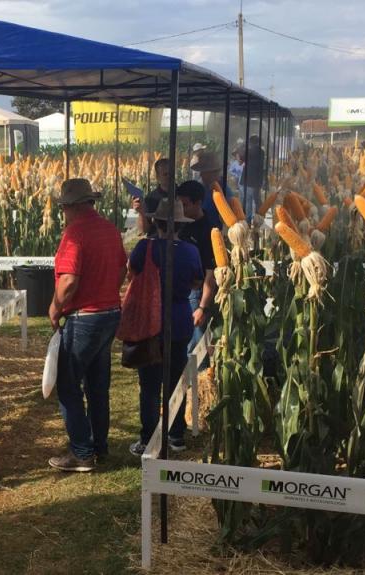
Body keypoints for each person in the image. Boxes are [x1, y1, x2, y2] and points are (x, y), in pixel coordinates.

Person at [48, 178, 127, 472]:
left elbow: (69, 281)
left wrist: (55, 308)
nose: (64, 213)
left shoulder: (74, 234)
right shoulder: (109, 229)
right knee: (97, 385)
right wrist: (106, 292)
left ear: (73, 207)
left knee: (68, 385)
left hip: (85, 318)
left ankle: (82, 452)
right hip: (109, 314)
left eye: (65, 207)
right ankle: (100, 446)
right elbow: (121, 268)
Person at [127, 198, 203, 455]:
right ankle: (176, 434)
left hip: (151, 320)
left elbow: (132, 273)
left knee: (149, 384)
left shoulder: (144, 248)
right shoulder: (191, 250)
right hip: (180, 318)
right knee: (175, 380)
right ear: (180, 225)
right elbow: (196, 281)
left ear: (156, 222)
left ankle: (148, 437)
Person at [173, 180, 219, 353]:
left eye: (185, 205)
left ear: (198, 203)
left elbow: (210, 273)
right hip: (180, 291)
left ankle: (199, 377)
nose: (181, 209)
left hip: (196, 294)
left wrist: (202, 307)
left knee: (195, 345)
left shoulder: (209, 231)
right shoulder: (180, 222)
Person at [133, 157, 172, 236]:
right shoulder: (151, 198)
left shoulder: (182, 194)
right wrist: (141, 212)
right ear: (158, 177)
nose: (169, 177)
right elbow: (145, 230)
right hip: (157, 242)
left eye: (171, 173)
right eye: (165, 174)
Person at [242, 135, 267, 220]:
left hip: (247, 179)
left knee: (248, 202)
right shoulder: (262, 152)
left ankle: (248, 221)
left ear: (251, 142)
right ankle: (259, 219)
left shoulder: (248, 151)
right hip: (257, 180)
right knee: (257, 201)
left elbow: (240, 159)